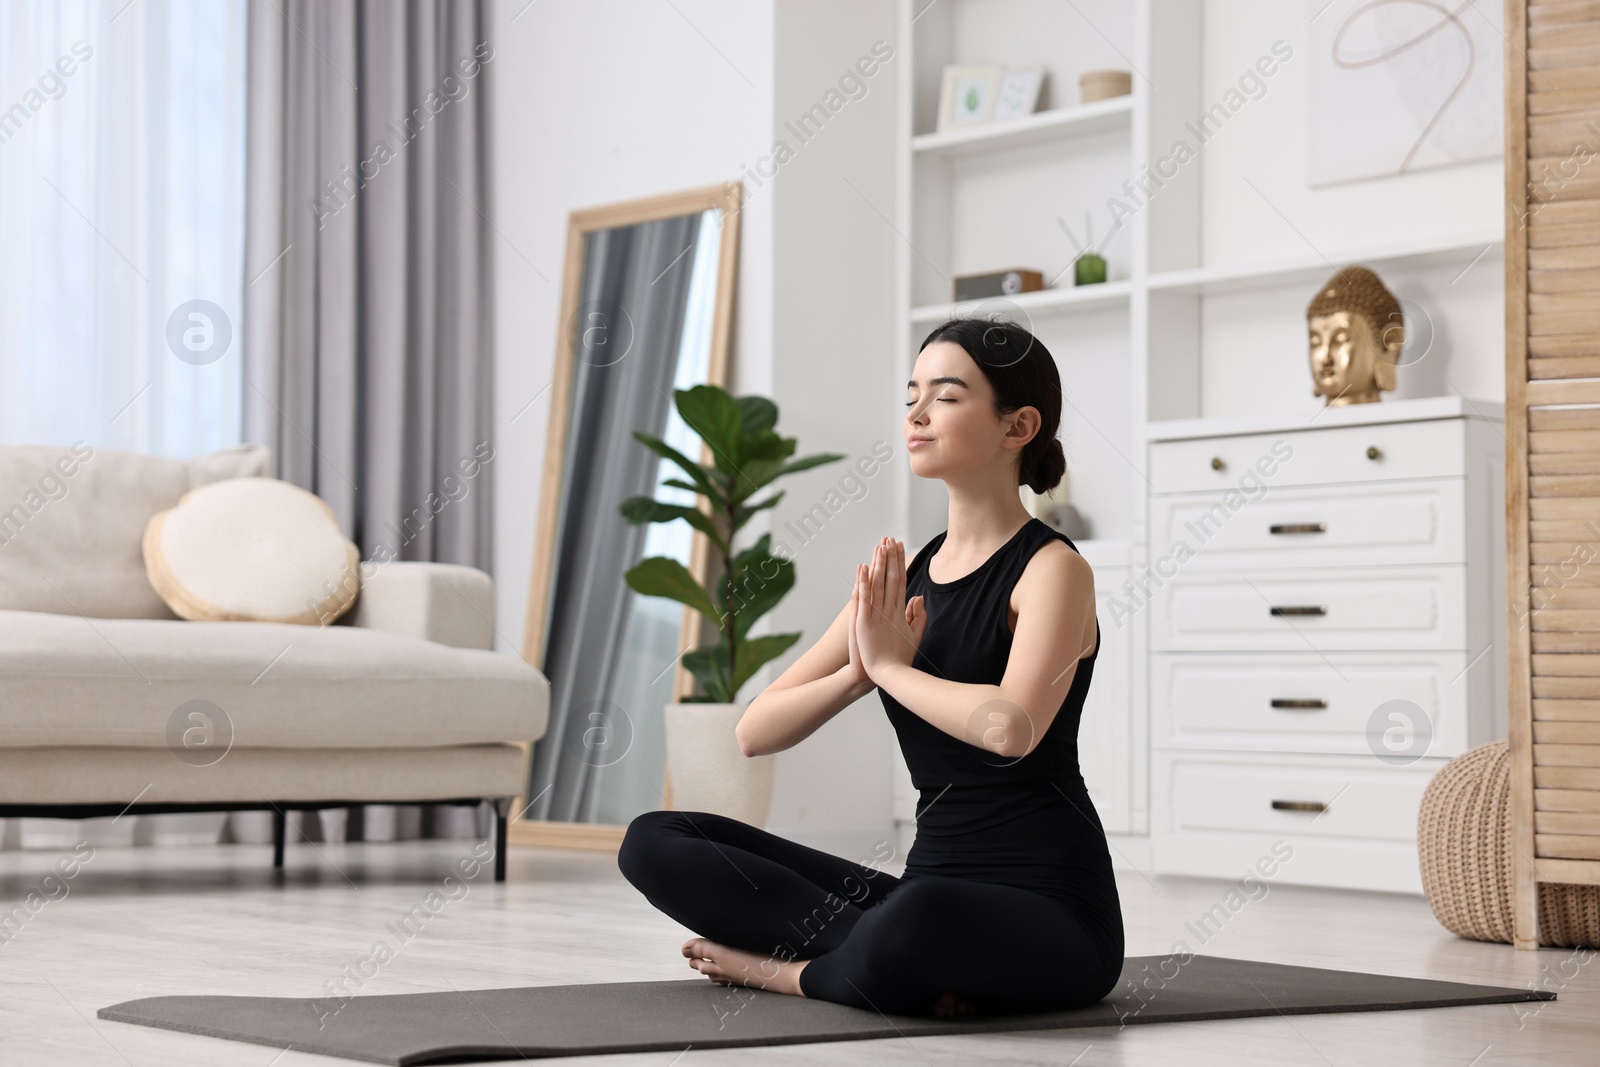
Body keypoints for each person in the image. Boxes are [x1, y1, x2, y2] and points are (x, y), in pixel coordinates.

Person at [617, 316, 1124, 1018]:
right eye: (912, 393)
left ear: (1018, 426)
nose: (916, 413)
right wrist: (858, 673)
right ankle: (885, 963)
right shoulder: (906, 580)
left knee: (923, 917)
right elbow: (754, 731)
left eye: (946, 396)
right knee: (655, 840)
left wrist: (889, 666)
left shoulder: (1054, 570)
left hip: (1052, 911)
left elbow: (1011, 727)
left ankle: (785, 973)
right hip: (921, 893)